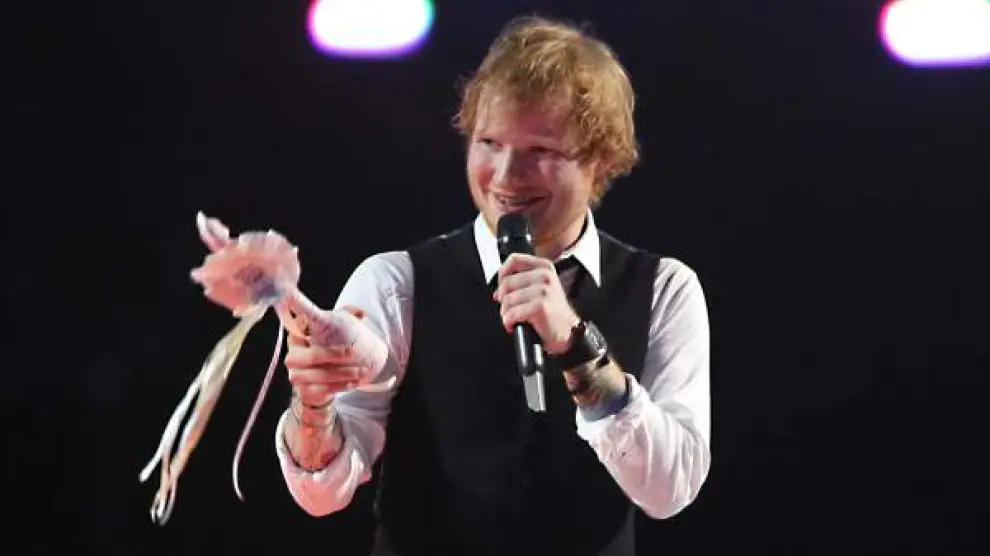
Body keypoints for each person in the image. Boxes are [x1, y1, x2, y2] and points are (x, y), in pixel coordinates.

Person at [275, 15, 711, 556]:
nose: (505, 176)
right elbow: (321, 494)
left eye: (539, 151)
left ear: (599, 160)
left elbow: (670, 490)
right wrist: (313, 407)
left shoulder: (664, 290)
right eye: (489, 143)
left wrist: (575, 344)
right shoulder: (396, 282)